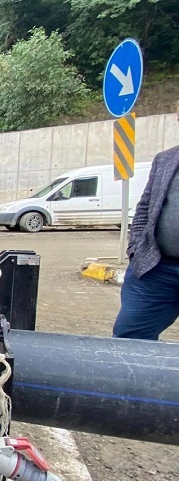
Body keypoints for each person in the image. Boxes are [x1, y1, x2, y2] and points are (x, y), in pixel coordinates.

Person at [112, 102, 179, 340]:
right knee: (128, 339)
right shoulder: (166, 160)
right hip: (156, 268)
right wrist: (136, 249)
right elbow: (145, 208)